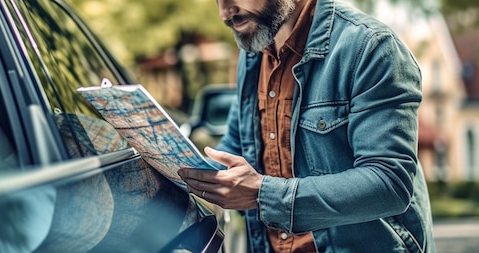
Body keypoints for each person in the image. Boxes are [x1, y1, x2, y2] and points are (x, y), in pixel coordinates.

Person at [177, 0, 435, 252]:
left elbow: (389, 183)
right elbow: (236, 147)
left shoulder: (370, 47)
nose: (225, 11)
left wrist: (261, 193)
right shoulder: (253, 55)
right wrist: (172, 167)